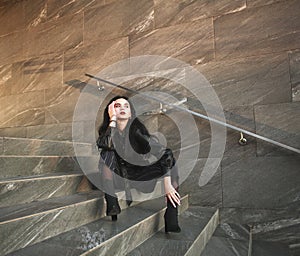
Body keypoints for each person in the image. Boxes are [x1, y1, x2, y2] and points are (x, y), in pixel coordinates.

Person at [97, 95, 181, 233]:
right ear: (111, 111)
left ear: (130, 114)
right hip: (119, 178)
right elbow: (104, 145)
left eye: (126, 106)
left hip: (140, 177)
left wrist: (167, 184)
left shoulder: (137, 133)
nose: (122, 108)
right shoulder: (106, 132)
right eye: (117, 106)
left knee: (172, 163)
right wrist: (112, 119)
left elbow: (166, 153)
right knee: (107, 153)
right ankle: (112, 203)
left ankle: (172, 215)